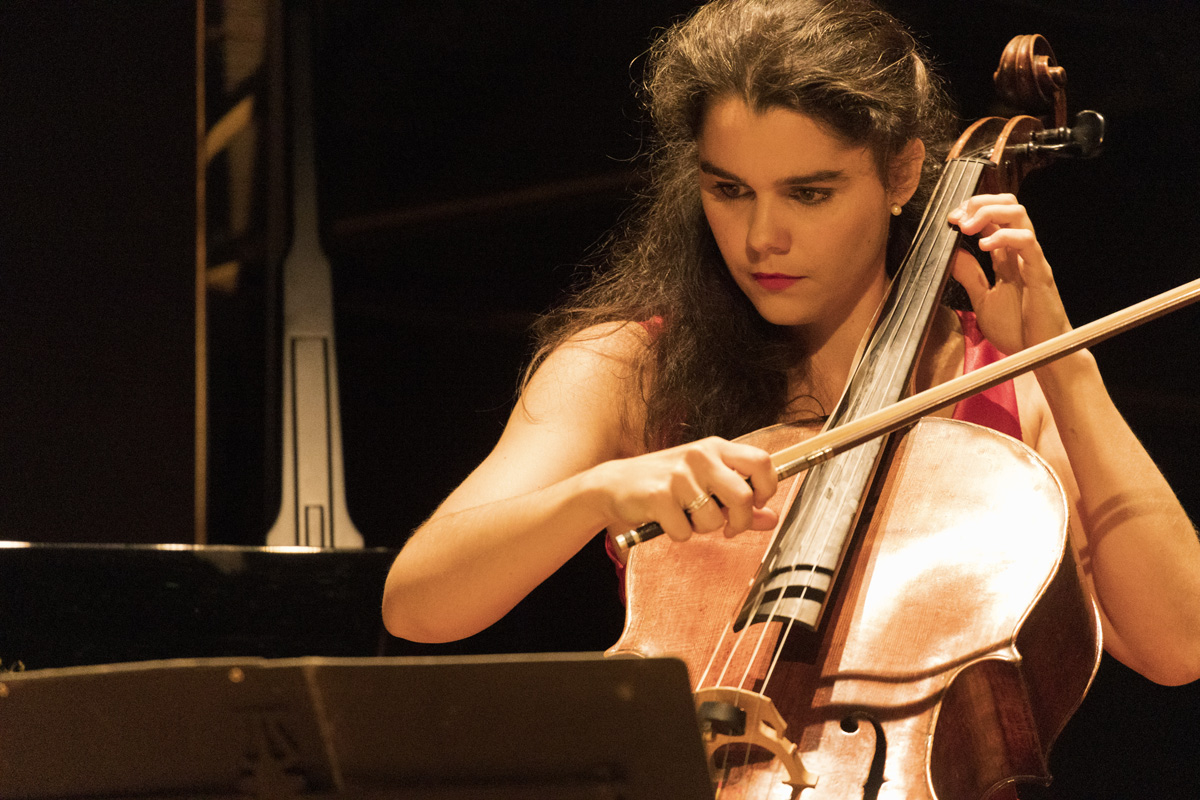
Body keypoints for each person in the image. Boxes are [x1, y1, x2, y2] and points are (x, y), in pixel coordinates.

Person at [382, 0, 1200, 688]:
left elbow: (1178, 646)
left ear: (902, 174)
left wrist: (1064, 363)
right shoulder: (628, 365)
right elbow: (418, 605)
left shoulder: (1007, 386)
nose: (760, 238)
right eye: (729, 190)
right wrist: (597, 492)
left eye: (809, 193)